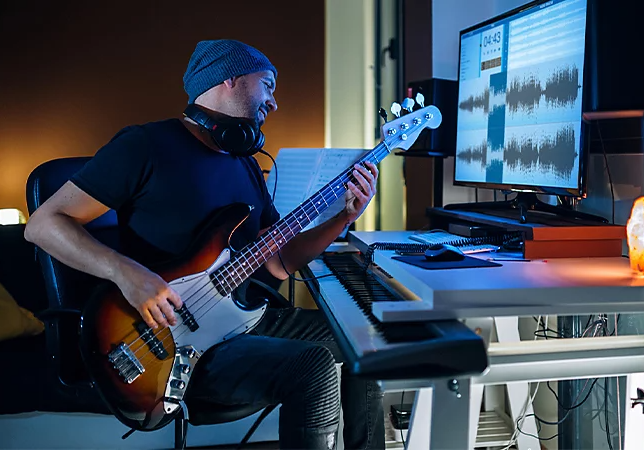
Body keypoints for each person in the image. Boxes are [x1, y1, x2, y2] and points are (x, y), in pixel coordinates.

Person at [24, 39, 384, 449]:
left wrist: (344, 217)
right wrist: (126, 273)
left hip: (244, 321)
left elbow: (278, 264)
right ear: (229, 79)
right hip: (175, 343)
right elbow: (42, 226)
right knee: (314, 367)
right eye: (268, 85)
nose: (274, 102)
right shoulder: (145, 146)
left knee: (364, 337)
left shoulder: (245, 162)